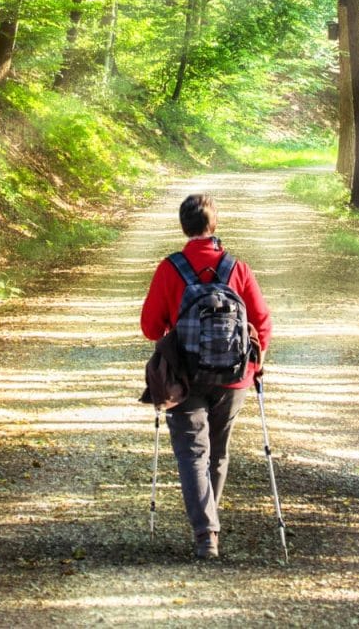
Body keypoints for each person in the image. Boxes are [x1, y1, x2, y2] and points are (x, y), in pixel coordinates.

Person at [139, 192, 272, 559]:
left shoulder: (171, 268)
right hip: (234, 377)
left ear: (184, 226)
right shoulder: (237, 269)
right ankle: (209, 522)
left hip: (183, 378)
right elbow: (261, 320)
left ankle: (205, 534)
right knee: (217, 452)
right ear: (214, 225)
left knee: (192, 452)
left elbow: (150, 328)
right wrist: (256, 365)